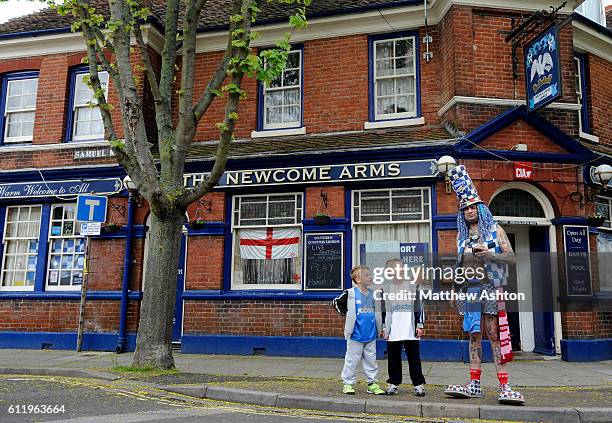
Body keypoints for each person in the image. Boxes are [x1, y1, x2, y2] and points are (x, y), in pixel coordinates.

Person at [443, 164, 524, 405]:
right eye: (465, 208)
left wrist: (490, 256)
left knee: (493, 335)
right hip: (469, 290)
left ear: (481, 208)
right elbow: (459, 266)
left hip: (490, 287)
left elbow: (511, 257)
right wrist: (455, 290)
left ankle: (504, 384)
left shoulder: (495, 230)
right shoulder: (462, 236)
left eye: (472, 206)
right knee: (473, 336)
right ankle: (475, 384)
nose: (469, 211)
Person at [337, 265, 385, 395]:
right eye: (367, 275)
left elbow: (379, 312)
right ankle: (348, 384)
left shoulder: (374, 294)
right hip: (355, 335)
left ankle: (372, 384)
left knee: (371, 361)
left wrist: (380, 327)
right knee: (351, 361)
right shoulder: (350, 293)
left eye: (370, 275)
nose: (370, 277)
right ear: (358, 279)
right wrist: (347, 314)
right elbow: (337, 303)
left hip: (370, 334)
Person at [382, 258, 426, 396]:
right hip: (393, 328)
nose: (400, 270)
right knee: (393, 359)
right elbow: (384, 311)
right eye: (397, 268)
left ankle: (418, 385)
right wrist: (384, 327)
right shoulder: (386, 289)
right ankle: (393, 383)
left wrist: (420, 325)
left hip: (410, 328)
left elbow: (420, 307)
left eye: (402, 268)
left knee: (414, 358)